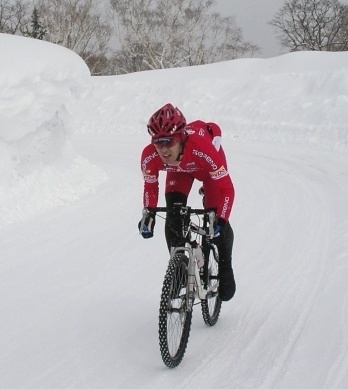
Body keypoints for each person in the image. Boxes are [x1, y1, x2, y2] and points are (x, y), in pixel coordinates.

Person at [138, 103, 236, 301]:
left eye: (168, 142)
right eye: (158, 143)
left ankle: (225, 267)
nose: (163, 150)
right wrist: (148, 215)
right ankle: (180, 267)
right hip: (179, 172)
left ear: (181, 137)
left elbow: (227, 189)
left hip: (206, 171)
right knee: (173, 216)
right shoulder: (149, 156)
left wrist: (222, 220)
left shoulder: (201, 148)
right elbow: (150, 187)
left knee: (215, 219)